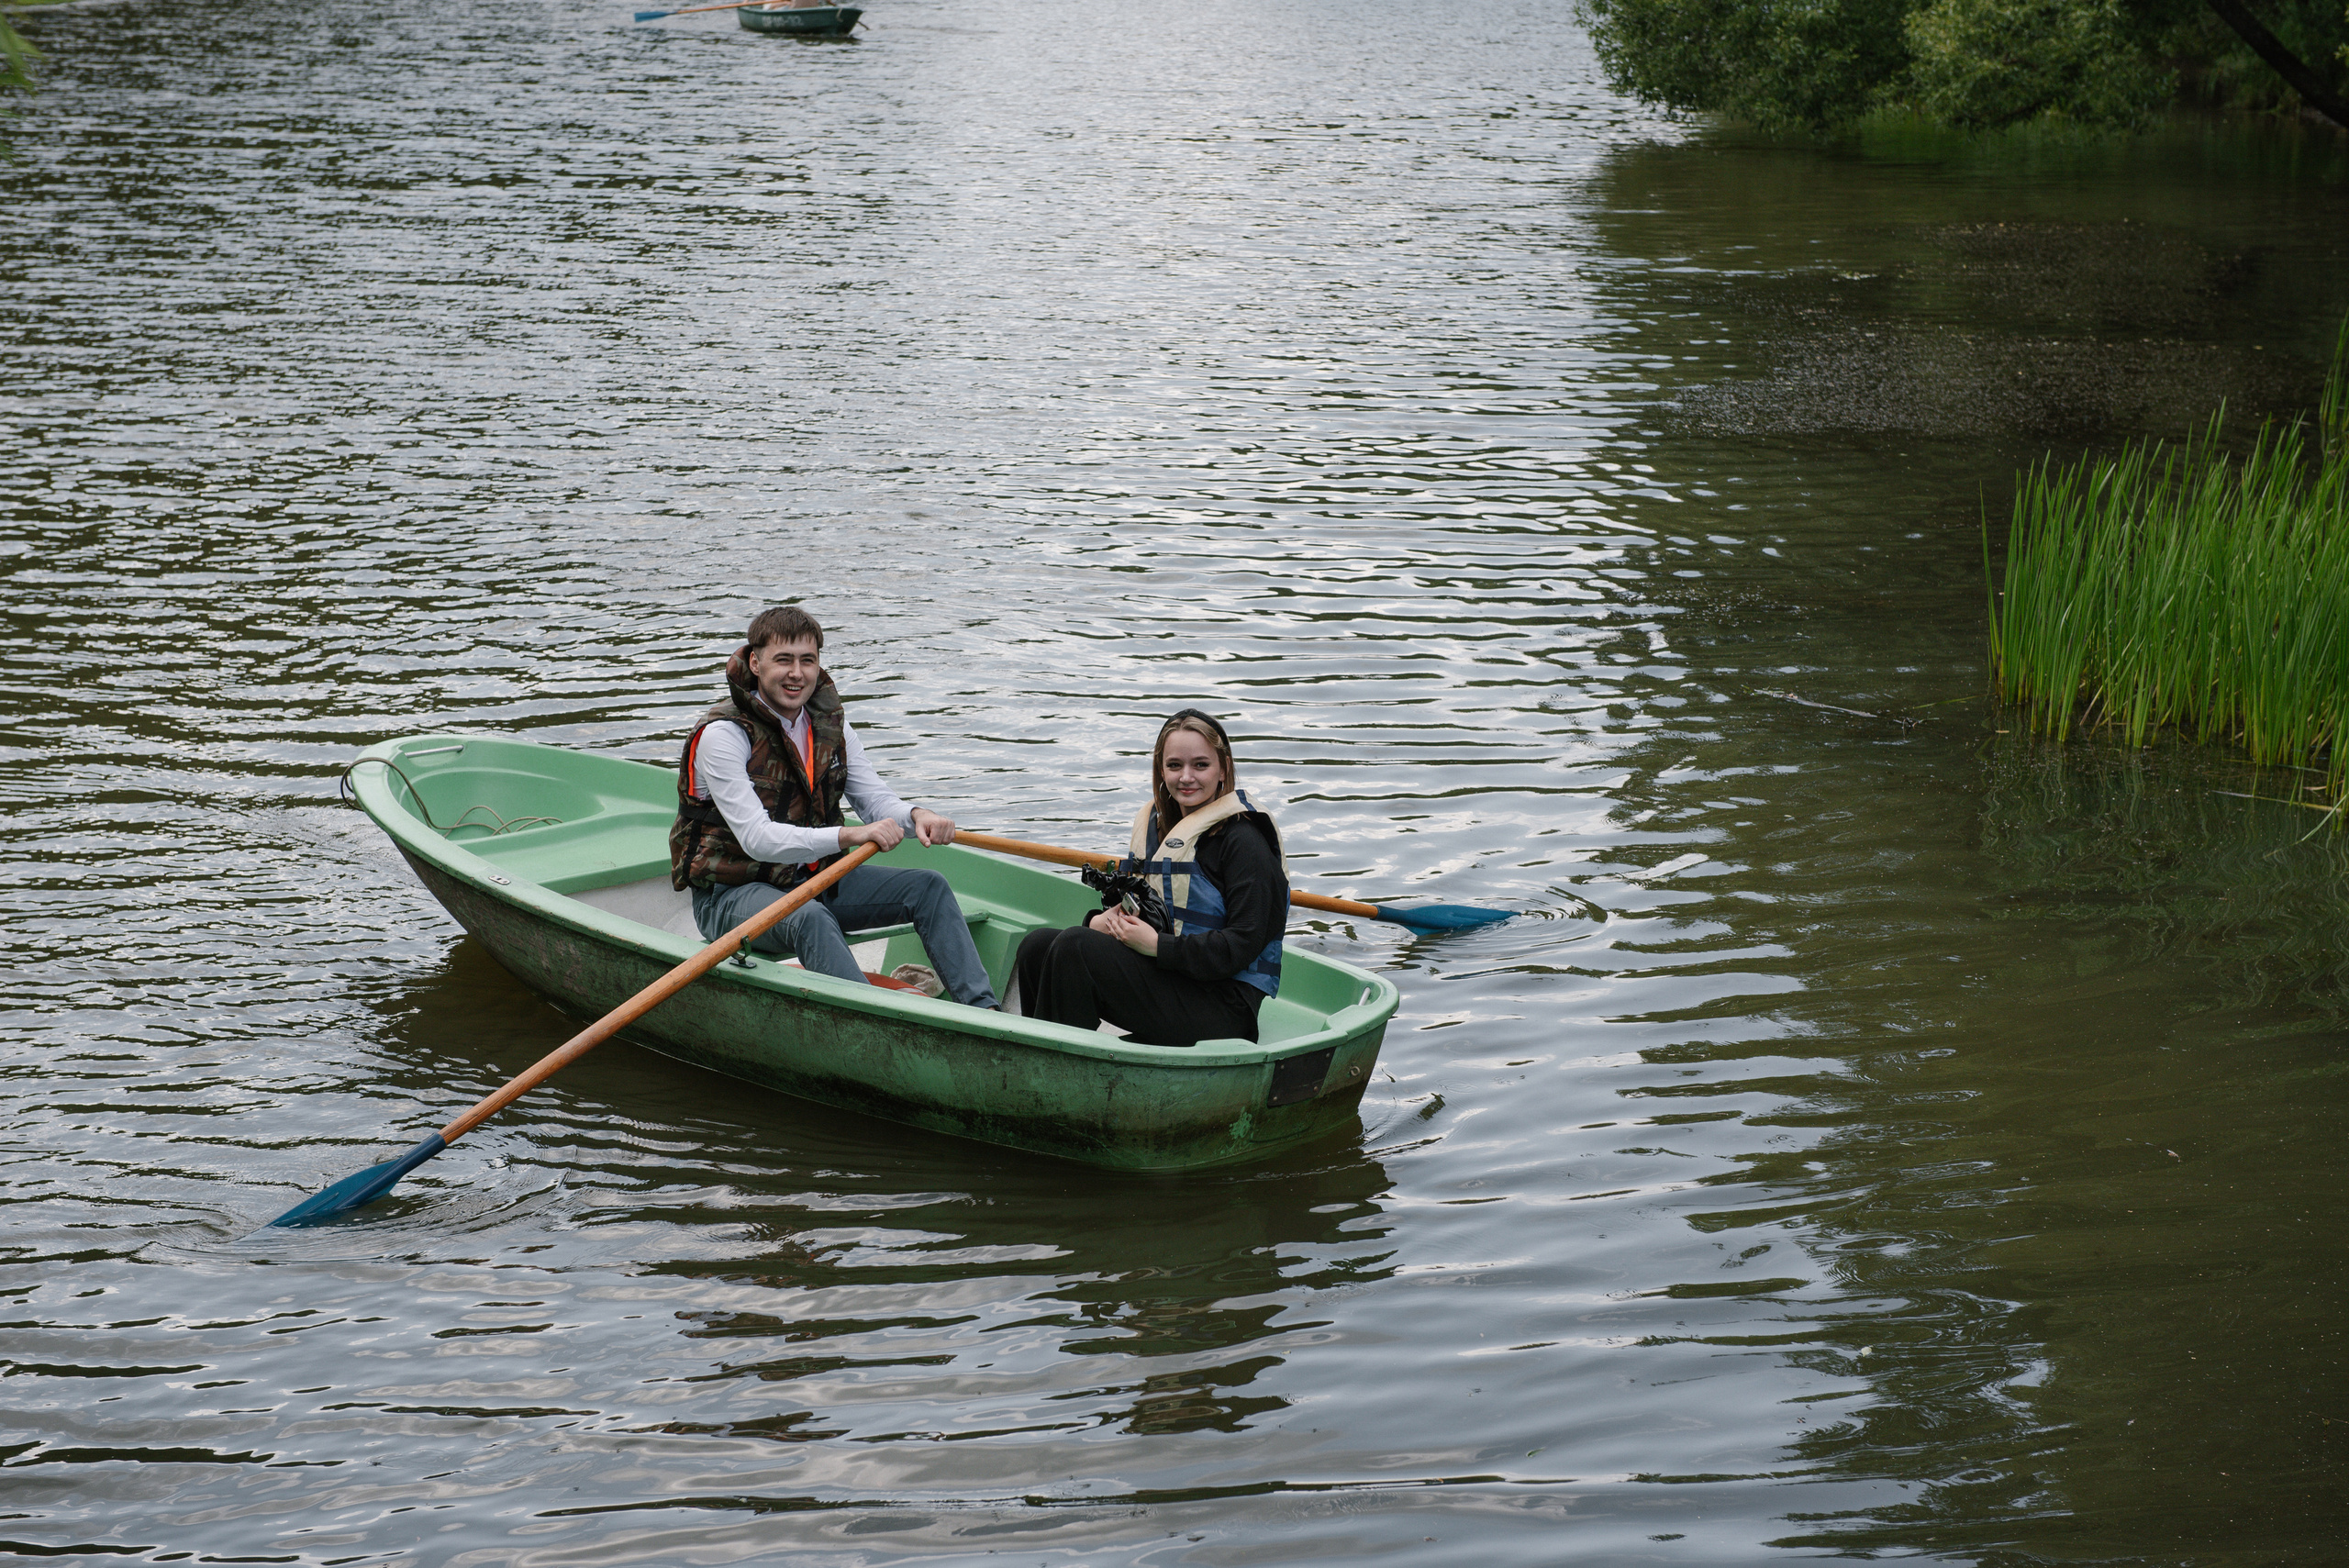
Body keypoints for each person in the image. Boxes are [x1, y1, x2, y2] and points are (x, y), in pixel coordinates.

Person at [668, 606, 997, 1009]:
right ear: (755, 662)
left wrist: (916, 816)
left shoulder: (830, 726)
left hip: (812, 880)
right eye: (783, 660)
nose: (797, 673)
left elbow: (874, 800)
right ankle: (879, 1024)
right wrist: (850, 835)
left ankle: (986, 1015)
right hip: (731, 895)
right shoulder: (724, 734)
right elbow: (757, 839)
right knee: (810, 918)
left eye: (808, 660)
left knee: (928, 887)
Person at [1012, 709, 1287, 1047]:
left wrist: (1158, 946)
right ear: (1161, 770)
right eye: (1175, 766)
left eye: (1200, 765)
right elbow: (1146, 908)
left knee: (1074, 948)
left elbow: (1242, 944)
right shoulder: (1160, 831)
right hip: (1175, 978)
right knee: (1037, 946)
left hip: (1224, 1007)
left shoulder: (1245, 842)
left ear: (1223, 770)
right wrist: (1103, 922)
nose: (1186, 777)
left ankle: (1063, 1068)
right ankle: (1043, 1055)